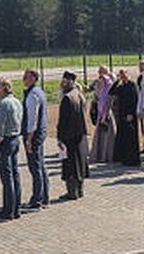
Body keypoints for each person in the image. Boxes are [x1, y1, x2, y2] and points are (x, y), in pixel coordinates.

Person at [0, 79, 23, 221]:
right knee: (15, 174)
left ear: (4, 88)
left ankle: (8, 210)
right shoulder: (17, 101)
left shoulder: (3, 104)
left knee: (7, 177)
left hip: (5, 140)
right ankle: (16, 208)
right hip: (16, 138)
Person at [57, 72, 89, 200]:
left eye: (64, 82)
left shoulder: (67, 98)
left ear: (70, 82)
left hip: (69, 136)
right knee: (80, 162)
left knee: (70, 164)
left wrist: (60, 137)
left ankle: (72, 192)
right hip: (80, 134)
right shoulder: (80, 95)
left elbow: (63, 120)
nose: (62, 84)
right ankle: (80, 190)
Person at [21, 69, 49, 210]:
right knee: (41, 165)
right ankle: (44, 197)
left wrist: (29, 139)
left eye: (26, 76)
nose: (23, 79)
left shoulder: (32, 95)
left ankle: (37, 200)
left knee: (35, 167)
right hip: (41, 132)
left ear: (33, 78)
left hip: (34, 134)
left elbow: (32, 119)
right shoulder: (39, 92)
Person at [86, 66, 116, 163]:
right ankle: (99, 154)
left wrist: (105, 114)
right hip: (100, 112)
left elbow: (109, 102)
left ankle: (108, 155)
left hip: (107, 114)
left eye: (101, 71)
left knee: (108, 136)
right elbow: (90, 89)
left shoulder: (110, 85)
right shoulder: (98, 83)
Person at [110, 69, 141, 167]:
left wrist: (131, 113)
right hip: (122, 114)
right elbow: (111, 92)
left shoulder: (132, 85)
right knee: (123, 137)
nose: (123, 77)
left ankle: (132, 160)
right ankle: (124, 158)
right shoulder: (122, 86)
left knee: (131, 138)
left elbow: (135, 100)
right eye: (121, 75)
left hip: (130, 114)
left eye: (124, 75)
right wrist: (117, 81)